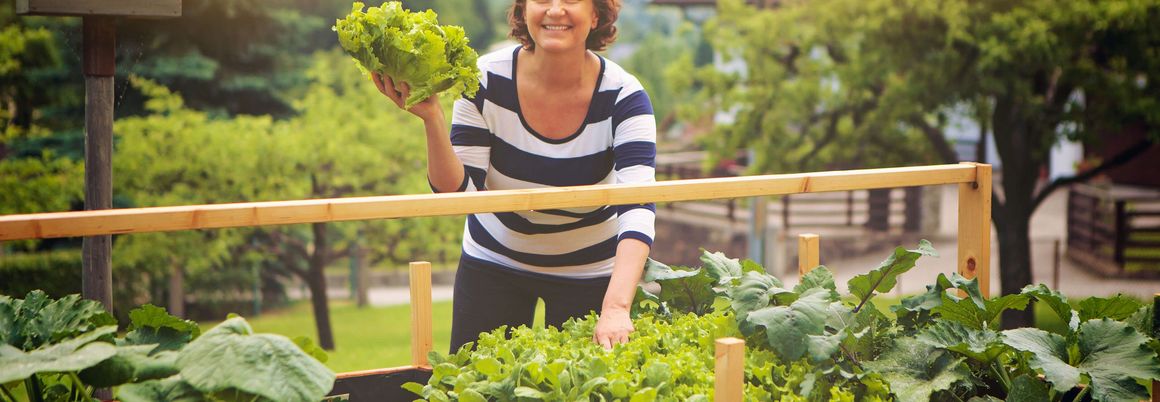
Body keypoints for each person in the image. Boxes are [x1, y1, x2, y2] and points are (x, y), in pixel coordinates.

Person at [370, 0, 656, 353]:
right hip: (494, 261)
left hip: (590, 269)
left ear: (596, 15)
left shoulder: (626, 97)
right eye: (541, 0)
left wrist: (615, 308)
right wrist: (433, 120)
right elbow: (459, 194)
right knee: (475, 385)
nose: (554, 10)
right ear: (523, 11)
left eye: (570, 0)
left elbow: (638, 206)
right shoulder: (484, 79)